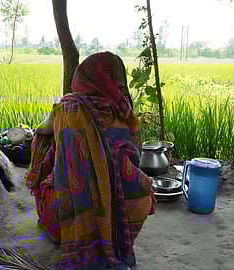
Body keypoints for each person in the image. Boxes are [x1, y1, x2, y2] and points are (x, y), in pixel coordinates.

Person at [26, 51, 156, 269]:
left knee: (50, 159)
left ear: (82, 78)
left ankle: (68, 231)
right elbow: (136, 158)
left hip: (67, 220)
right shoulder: (126, 112)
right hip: (127, 214)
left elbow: (41, 131)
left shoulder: (68, 108)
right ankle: (111, 237)